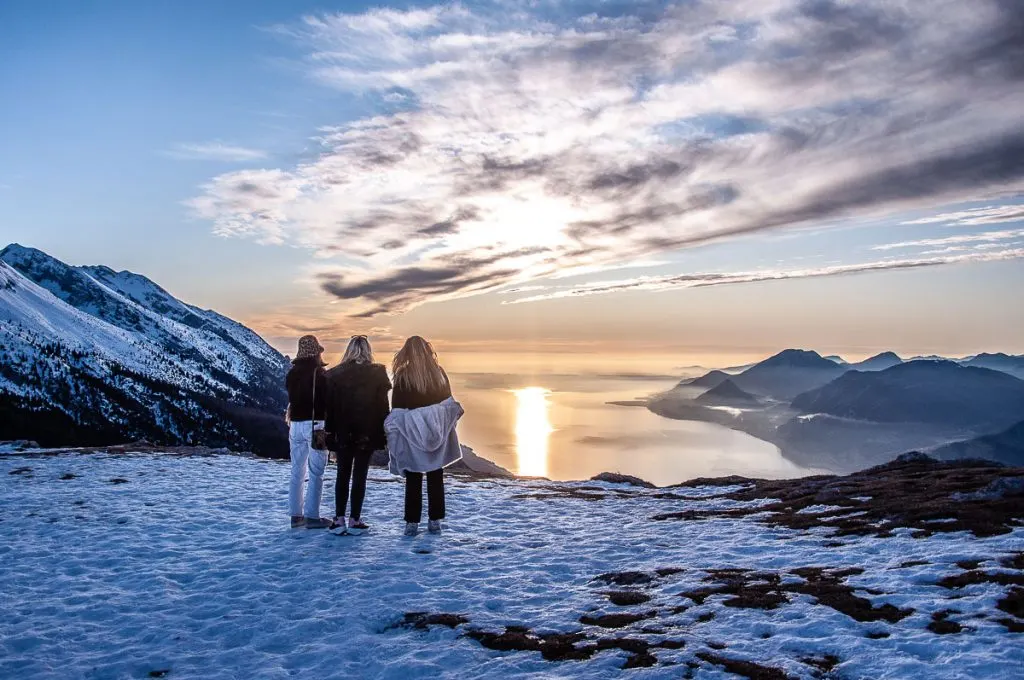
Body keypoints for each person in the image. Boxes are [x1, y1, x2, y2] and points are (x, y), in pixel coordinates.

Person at [385, 336, 464, 536]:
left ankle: (411, 523)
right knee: (435, 475)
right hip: (436, 432)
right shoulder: (438, 374)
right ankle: (435, 521)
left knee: (413, 477)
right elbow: (448, 405)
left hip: (412, 433)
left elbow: (397, 409)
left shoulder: (403, 376)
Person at [324, 335, 391, 535]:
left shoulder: (334, 375)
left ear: (349, 350)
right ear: (368, 350)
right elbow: (382, 407)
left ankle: (339, 519)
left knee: (342, 474)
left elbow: (330, 409)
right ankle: (355, 519)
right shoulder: (378, 373)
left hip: (342, 432)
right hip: (367, 432)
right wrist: (384, 431)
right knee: (360, 475)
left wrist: (329, 432)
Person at [284, 334, 331, 529]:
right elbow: (327, 401)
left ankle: (296, 516)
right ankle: (312, 516)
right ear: (316, 353)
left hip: (294, 425)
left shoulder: (291, 374)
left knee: (297, 470)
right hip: (316, 426)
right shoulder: (320, 374)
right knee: (316, 471)